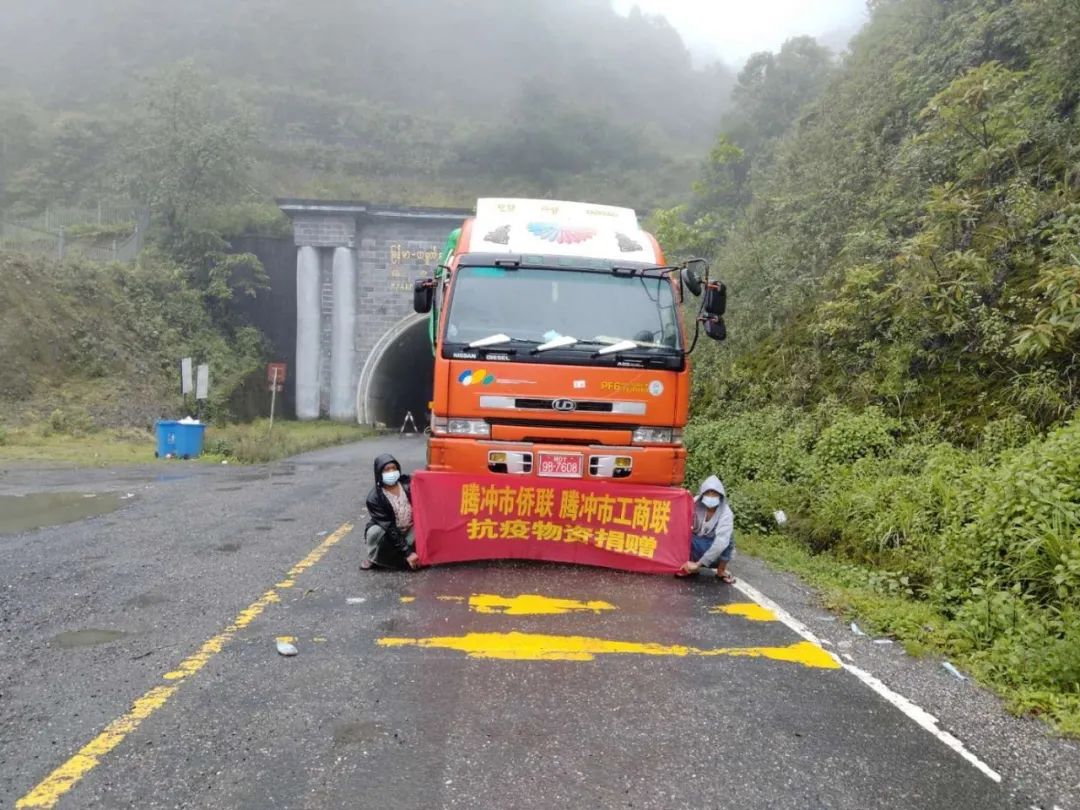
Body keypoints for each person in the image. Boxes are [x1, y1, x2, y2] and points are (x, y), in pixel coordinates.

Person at [362, 453, 420, 571]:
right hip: (390, 532)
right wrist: (408, 553)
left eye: (394, 468)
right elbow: (389, 528)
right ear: (379, 473)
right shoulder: (374, 498)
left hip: (410, 528)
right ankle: (374, 557)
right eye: (387, 469)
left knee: (423, 528)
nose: (391, 472)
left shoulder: (407, 484)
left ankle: (406, 552)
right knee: (375, 532)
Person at [678, 474, 736, 583]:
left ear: (720, 495)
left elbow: (721, 543)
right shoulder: (694, 503)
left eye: (714, 493)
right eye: (708, 492)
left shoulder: (726, 513)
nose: (711, 496)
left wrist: (698, 564)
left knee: (729, 539)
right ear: (702, 494)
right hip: (696, 543)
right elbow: (680, 521)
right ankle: (687, 566)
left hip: (714, 553)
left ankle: (721, 570)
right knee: (682, 535)